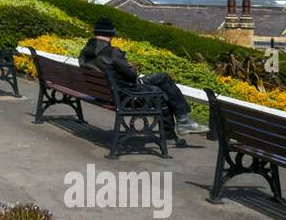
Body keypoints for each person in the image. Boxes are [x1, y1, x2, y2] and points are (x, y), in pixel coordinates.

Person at [79, 17, 207, 136]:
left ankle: (182, 122)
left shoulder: (85, 52)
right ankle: (179, 125)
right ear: (111, 34)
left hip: (106, 92)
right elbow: (131, 74)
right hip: (126, 95)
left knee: (163, 78)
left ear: (96, 33)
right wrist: (132, 67)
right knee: (160, 91)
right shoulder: (112, 53)